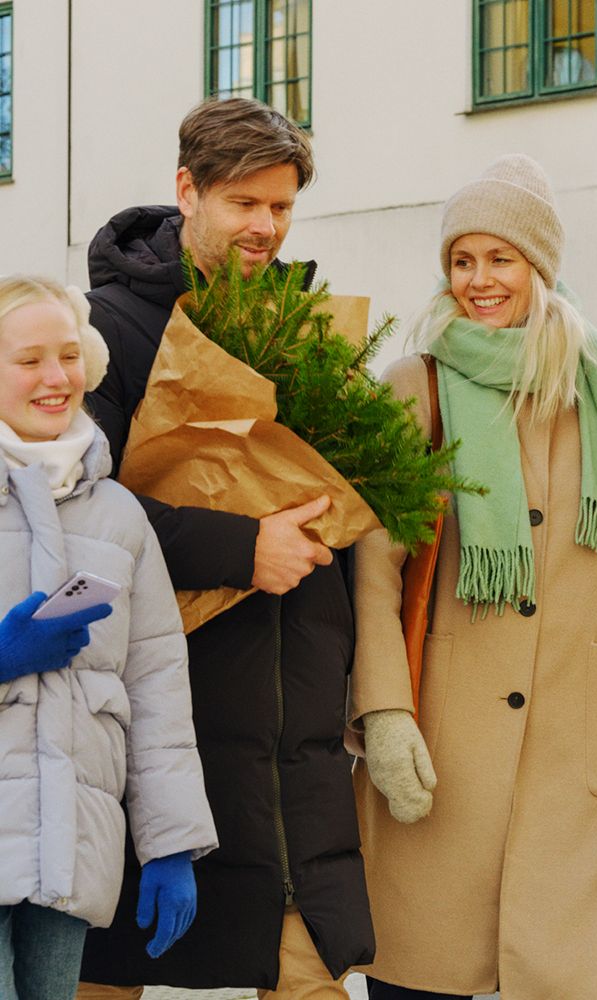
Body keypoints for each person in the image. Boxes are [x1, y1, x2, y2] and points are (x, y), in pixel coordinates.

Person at [349, 154, 597, 999]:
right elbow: (374, 570)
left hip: (575, 749)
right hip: (446, 748)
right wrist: (385, 712)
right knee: (420, 973)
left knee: (569, 977)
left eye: (501, 258)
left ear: (541, 266)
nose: (479, 281)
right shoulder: (416, 388)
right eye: (462, 260)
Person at [75, 98, 374, 999]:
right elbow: (76, 514)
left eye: (281, 207)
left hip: (289, 741)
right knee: (104, 971)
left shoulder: (306, 331)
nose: (266, 227)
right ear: (186, 191)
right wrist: (240, 547)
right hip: (152, 735)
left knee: (307, 971)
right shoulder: (103, 333)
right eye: (245, 203)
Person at [0, 275, 217, 1000]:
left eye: (67, 355)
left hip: (69, 851)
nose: (55, 378)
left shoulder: (118, 516)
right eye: (29, 359)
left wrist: (170, 843)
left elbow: (155, 683)